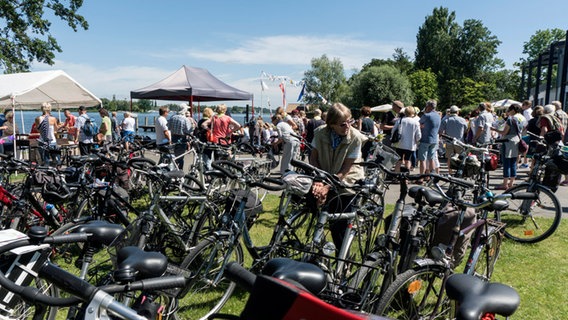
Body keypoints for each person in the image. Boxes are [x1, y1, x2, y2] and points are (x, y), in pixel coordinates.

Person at [310, 102, 365, 250]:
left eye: (350, 121)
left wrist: (327, 185)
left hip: (347, 179)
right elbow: (313, 158)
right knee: (313, 209)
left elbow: (346, 168)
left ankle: (342, 264)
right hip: (326, 173)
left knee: (338, 226)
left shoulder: (355, 138)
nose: (347, 126)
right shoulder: (320, 133)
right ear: (331, 124)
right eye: (342, 124)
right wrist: (319, 179)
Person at [491, 104, 522, 190]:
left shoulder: (510, 119)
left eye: (509, 109)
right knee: (513, 163)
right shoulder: (521, 118)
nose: (508, 111)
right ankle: (511, 183)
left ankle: (505, 184)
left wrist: (494, 129)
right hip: (517, 140)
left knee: (506, 163)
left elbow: (504, 132)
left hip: (508, 141)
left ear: (513, 110)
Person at [439, 105, 468, 174]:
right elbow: (466, 130)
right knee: (460, 157)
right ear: (457, 112)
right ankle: (459, 171)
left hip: (448, 141)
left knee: (449, 157)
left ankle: (450, 172)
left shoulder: (445, 120)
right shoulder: (462, 120)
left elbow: (441, 131)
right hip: (459, 141)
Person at [417, 99, 441, 180]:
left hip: (425, 139)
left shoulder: (426, 116)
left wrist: (422, 126)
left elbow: (418, 124)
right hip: (434, 140)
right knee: (431, 159)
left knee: (422, 159)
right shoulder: (438, 116)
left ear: (428, 106)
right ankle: (432, 176)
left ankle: (421, 178)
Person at [392, 107, 421, 172]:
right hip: (410, 145)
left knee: (398, 161)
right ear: (413, 113)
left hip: (399, 144)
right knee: (407, 161)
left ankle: (396, 176)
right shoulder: (415, 122)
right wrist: (416, 141)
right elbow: (418, 136)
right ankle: (406, 178)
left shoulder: (400, 120)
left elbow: (393, 131)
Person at [168, 105, 193, 170]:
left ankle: (173, 170)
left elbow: (168, 127)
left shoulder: (172, 117)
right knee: (180, 158)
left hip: (173, 138)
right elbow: (189, 130)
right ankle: (180, 172)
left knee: (173, 157)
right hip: (182, 139)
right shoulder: (185, 119)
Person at [551, 100, 568, 186]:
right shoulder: (565, 114)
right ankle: (566, 178)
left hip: (558, 137)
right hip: (564, 136)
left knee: (558, 158)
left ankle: (557, 178)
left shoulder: (555, 114)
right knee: (564, 157)